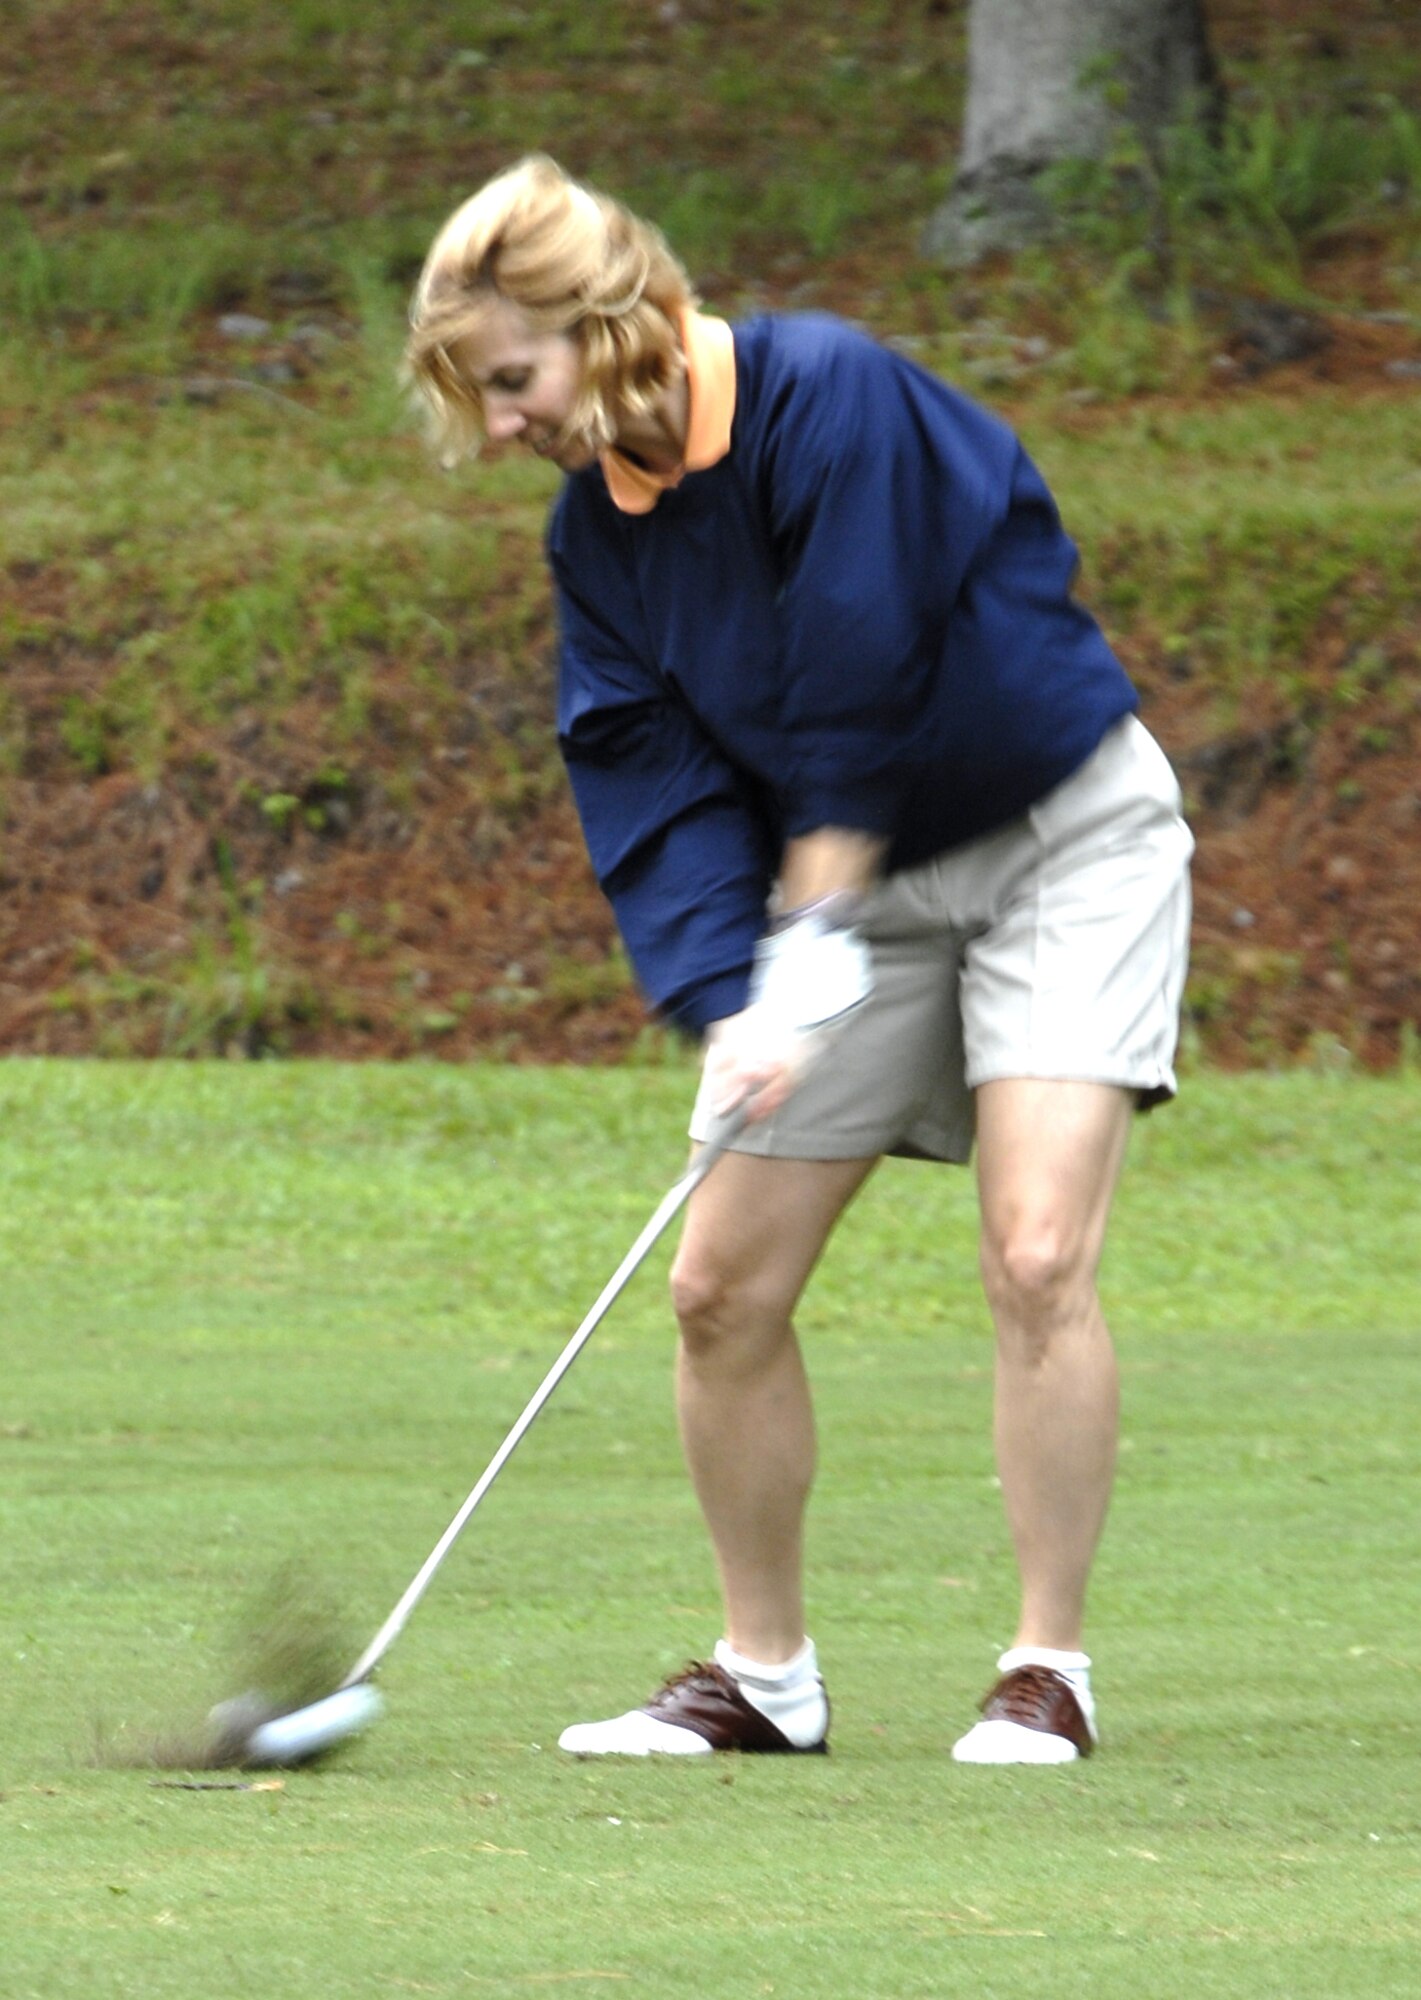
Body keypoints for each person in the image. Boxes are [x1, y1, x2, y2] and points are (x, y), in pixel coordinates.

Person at [405, 155, 1193, 1765]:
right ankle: (762, 1677)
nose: (499, 428)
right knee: (717, 1287)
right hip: (849, 890)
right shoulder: (597, 539)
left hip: (1060, 838)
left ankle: (1048, 1668)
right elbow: (645, 769)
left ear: (596, 316)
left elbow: (861, 660)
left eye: (509, 381)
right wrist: (723, 996)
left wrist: (813, 927)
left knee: (1036, 1252)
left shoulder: (825, 391)